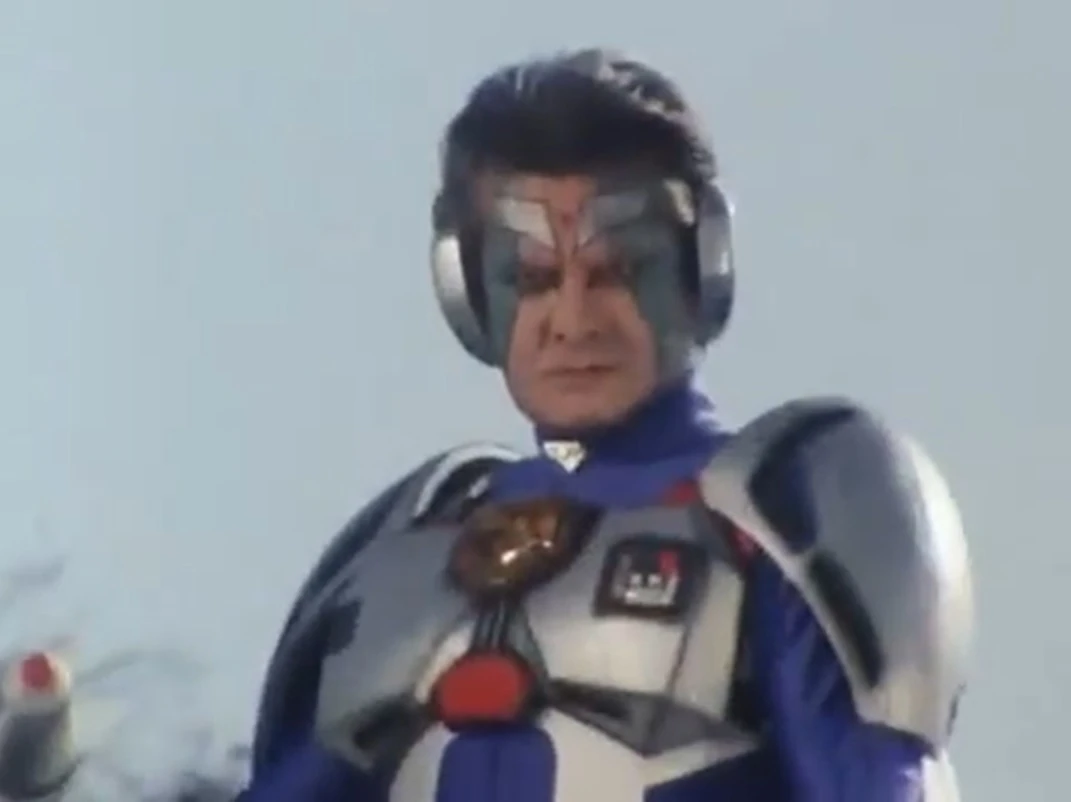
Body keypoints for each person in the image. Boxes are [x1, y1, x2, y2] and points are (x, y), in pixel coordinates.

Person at [238, 48, 974, 802]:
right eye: (531, 279)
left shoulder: (787, 511)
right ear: (467, 291)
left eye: (619, 272)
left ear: (700, 267)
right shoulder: (407, 538)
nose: (573, 319)